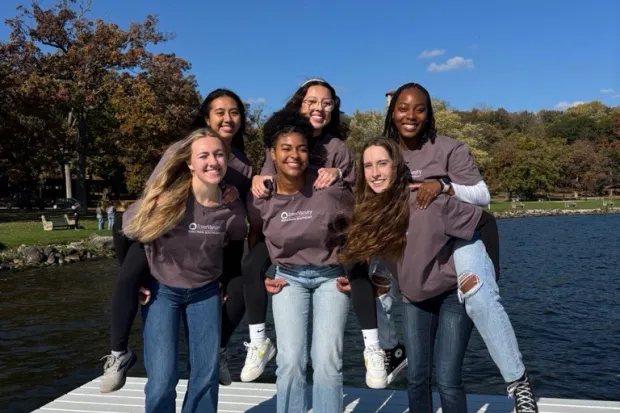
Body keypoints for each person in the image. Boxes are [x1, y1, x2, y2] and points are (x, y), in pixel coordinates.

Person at [100, 89, 252, 392]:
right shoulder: (180, 150)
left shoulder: (242, 164)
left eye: (234, 112)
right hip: (165, 228)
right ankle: (119, 354)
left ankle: (217, 349)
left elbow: (240, 211)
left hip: (208, 240)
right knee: (129, 277)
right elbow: (150, 194)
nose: (227, 117)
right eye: (219, 111)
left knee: (240, 287)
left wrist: (234, 193)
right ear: (206, 117)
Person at [240, 78, 389, 386]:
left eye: (326, 102)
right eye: (312, 101)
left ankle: (374, 347)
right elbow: (271, 173)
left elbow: (355, 189)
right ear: (299, 103)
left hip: (329, 231)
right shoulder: (283, 138)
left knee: (356, 264)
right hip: (286, 227)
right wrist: (259, 178)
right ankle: (258, 341)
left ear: (334, 108)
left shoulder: (338, 148)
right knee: (252, 264)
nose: (319, 107)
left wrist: (339, 173)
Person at [340, 137, 486, 413]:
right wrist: (357, 278)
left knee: (447, 379)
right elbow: (364, 254)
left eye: (382, 163)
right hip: (414, 300)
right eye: (368, 166)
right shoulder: (370, 211)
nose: (375, 172)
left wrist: (486, 276)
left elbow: (484, 222)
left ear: (396, 166)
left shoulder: (424, 198)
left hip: (451, 296)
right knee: (417, 378)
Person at [121, 128, 247, 413]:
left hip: (206, 293)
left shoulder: (232, 208)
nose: (212, 162)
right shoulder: (168, 199)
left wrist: (228, 283)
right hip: (162, 292)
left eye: (218, 155)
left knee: (205, 376)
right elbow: (127, 230)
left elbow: (235, 248)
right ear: (189, 163)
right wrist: (134, 280)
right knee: (163, 378)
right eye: (203, 156)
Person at [246, 109, 352, 413]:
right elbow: (256, 235)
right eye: (286, 149)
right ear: (272, 154)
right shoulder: (260, 196)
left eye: (302, 148)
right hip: (287, 279)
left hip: (331, 277)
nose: (295, 155)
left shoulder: (328, 188)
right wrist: (259, 274)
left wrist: (356, 271)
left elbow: (358, 228)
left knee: (327, 361)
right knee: (291, 361)